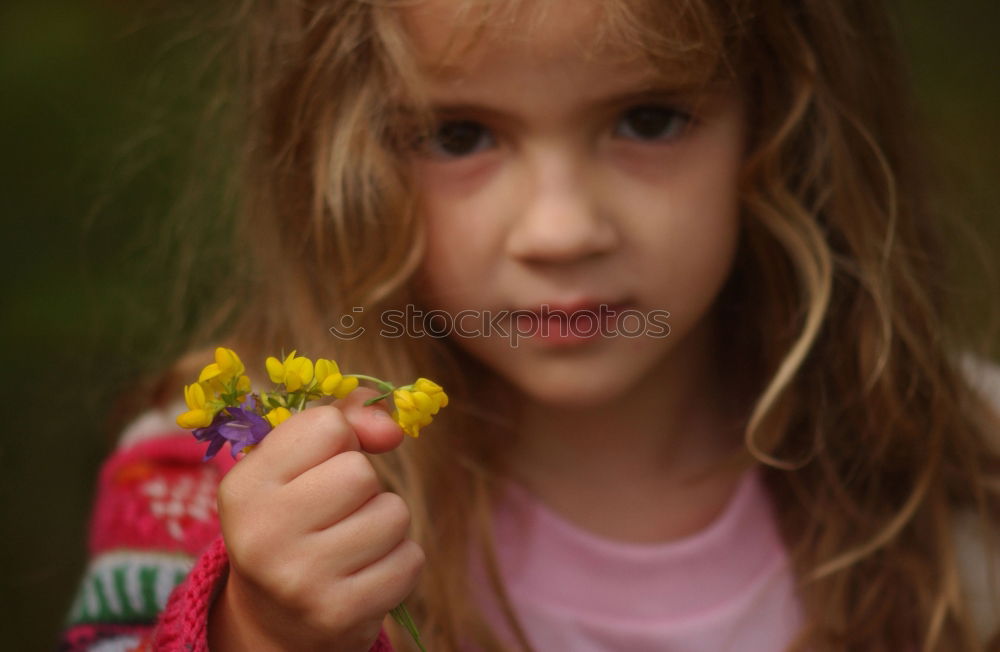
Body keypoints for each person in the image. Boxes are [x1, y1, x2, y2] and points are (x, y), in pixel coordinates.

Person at [60, 0, 1000, 650]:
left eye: (650, 118)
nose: (561, 230)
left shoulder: (963, 474)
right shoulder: (220, 473)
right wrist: (261, 632)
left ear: (781, 125)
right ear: (336, 152)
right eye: (460, 136)